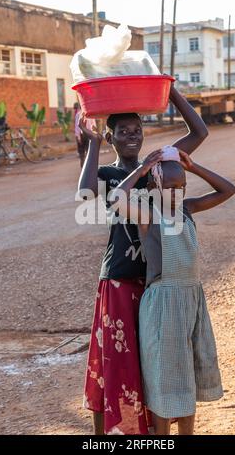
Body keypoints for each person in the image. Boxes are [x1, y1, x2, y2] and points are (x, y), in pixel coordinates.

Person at [78, 83, 209, 435]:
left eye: (137, 130)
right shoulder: (109, 175)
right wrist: (91, 144)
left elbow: (199, 132)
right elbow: (85, 192)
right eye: (123, 131)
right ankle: (105, 437)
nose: (132, 136)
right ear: (112, 137)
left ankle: (152, 433)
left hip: (156, 285)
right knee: (116, 365)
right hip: (120, 278)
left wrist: (172, 92)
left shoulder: (158, 167)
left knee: (152, 364)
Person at [110, 147, 235, 435]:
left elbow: (228, 189)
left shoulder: (187, 209)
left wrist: (193, 167)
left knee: (189, 373)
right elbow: (116, 198)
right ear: (154, 187)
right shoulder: (147, 214)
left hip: (191, 301)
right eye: (170, 187)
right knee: (164, 380)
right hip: (163, 304)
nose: (177, 193)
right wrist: (142, 169)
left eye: (182, 187)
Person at [74, 101, 96, 168]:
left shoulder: (78, 114)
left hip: (82, 135)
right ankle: (87, 170)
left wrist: (78, 137)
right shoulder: (89, 114)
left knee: (82, 155)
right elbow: (93, 126)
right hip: (88, 134)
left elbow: (77, 127)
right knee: (88, 154)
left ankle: (84, 171)